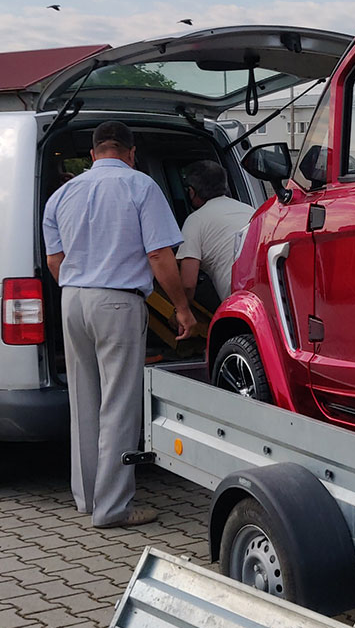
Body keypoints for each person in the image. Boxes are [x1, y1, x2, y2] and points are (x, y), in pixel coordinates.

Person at [42, 121, 197, 528]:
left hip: (72, 298)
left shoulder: (61, 195)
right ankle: (113, 508)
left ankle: (87, 498)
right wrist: (181, 307)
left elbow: (55, 261)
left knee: (84, 401)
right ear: (131, 153)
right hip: (117, 301)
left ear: (93, 154)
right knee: (118, 404)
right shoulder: (141, 186)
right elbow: (159, 256)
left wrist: (82, 285)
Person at [177, 160, 255, 303]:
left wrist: (181, 310)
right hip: (269, 293)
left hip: (239, 301)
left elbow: (188, 283)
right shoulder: (251, 211)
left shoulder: (196, 220)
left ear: (192, 191)